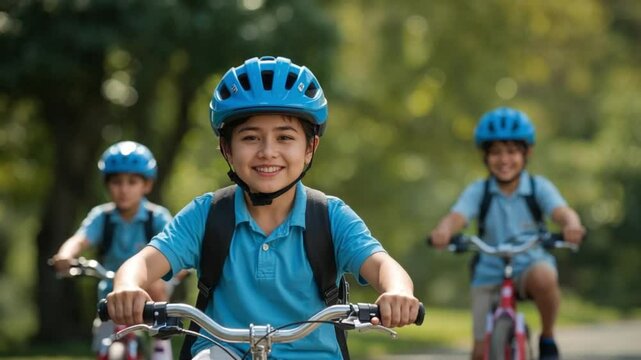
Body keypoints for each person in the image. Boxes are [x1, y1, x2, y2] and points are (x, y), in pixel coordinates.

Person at [105, 56, 421, 359]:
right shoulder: (207, 215)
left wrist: (397, 292)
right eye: (251, 138)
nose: (268, 152)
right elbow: (142, 265)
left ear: (310, 148)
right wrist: (127, 286)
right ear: (227, 148)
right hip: (222, 354)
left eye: (285, 137)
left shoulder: (329, 216)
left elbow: (382, 265)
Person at [429, 107, 585, 360]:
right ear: (485, 156)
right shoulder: (480, 191)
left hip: (530, 263)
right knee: (479, 353)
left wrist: (572, 226)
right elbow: (457, 217)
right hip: (489, 270)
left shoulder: (538, 187)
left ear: (527, 153)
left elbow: (562, 212)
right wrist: (443, 231)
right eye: (496, 153)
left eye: (512, 152)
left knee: (545, 277)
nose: (504, 160)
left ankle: (547, 337)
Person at [52, 140, 174, 360]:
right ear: (107, 185)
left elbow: (176, 248)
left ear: (146, 185)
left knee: (158, 297)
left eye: (132, 181)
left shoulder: (157, 217)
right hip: (110, 296)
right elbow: (79, 239)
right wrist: (65, 256)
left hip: (150, 296)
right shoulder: (102, 217)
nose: (124, 189)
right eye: (117, 182)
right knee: (103, 341)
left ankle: (161, 346)